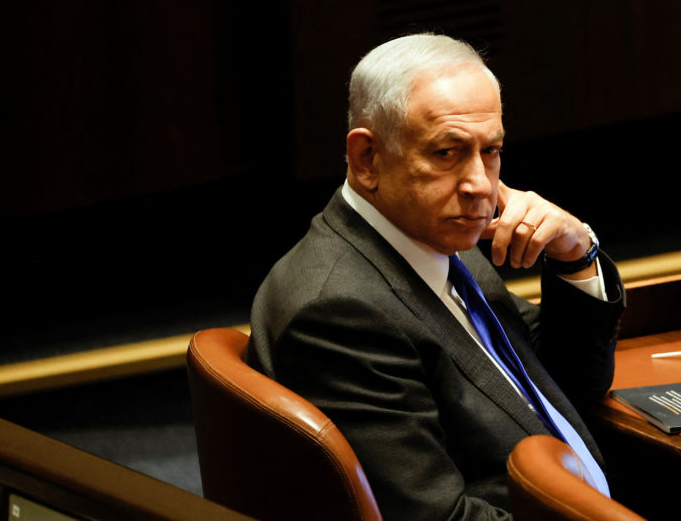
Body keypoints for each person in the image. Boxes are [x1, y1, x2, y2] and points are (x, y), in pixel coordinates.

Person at [247, 34, 626, 519]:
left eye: (491, 151)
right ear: (367, 159)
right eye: (447, 152)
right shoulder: (340, 314)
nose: (480, 185)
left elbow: (567, 381)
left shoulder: (432, 236)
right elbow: (438, 517)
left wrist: (575, 254)